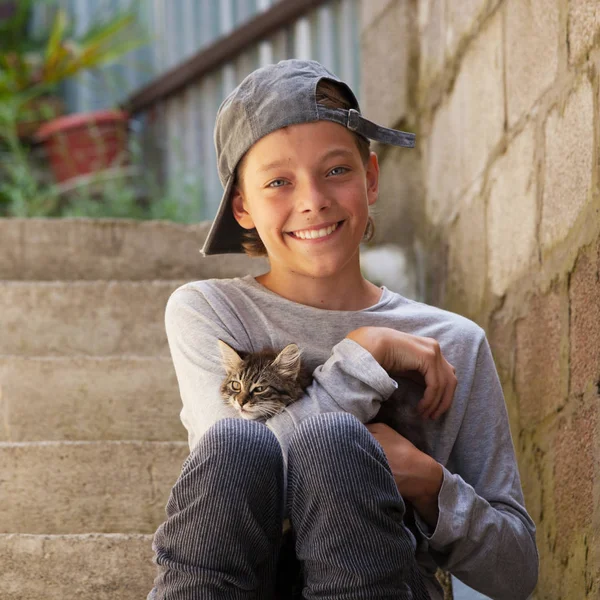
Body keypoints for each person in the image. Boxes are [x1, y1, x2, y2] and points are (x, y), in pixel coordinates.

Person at [147, 59, 539, 600]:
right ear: (242, 206)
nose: (312, 200)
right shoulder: (209, 311)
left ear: (370, 178)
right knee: (238, 443)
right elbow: (248, 474)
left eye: (336, 170)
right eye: (278, 181)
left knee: (333, 442)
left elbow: (516, 572)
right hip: (243, 578)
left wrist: (427, 482)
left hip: (381, 579)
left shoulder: (452, 341)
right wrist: (365, 350)